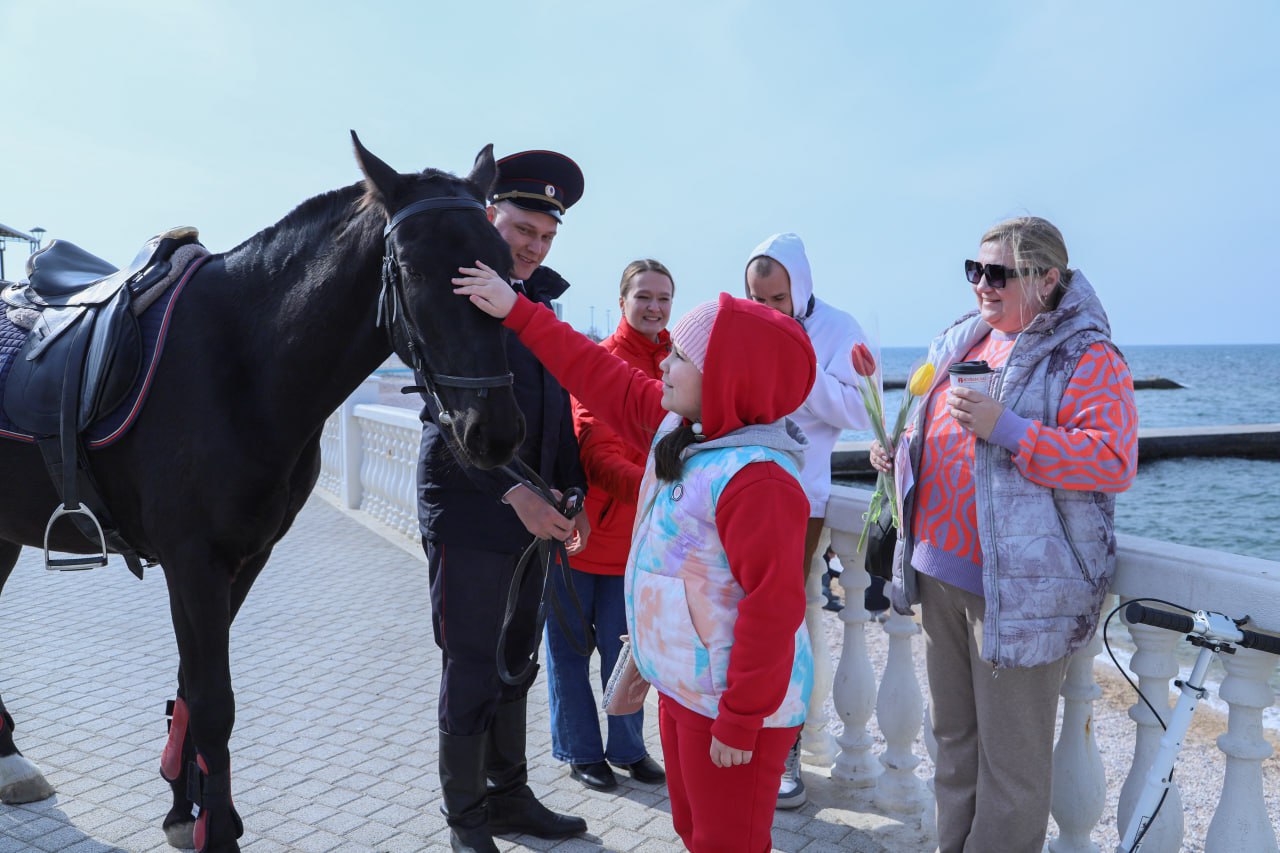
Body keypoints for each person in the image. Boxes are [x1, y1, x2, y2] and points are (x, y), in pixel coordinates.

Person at [454, 264, 817, 853]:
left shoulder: (759, 481)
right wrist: (517, 312)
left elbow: (774, 606)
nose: (664, 365)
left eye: (680, 358)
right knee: (694, 831)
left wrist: (743, 716)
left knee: (730, 841)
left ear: (728, 378)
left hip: (729, 704)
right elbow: (598, 375)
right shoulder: (686, 429)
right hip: (681, 688)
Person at [870, 216, 1138, 852]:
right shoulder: (964, 341)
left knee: (1011, 770)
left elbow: (1112, 459)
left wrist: (1011, 429)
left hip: (1019, 592)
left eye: (998, 273)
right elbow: (935, 435)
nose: (981, 286)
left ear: (1047, 280)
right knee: (954, 745)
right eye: (975, 271)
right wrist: (900, 452)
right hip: (940, 572)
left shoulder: (1086, 354)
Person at [418, 149, 591, 853]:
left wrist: (572, 486)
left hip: (534, 518)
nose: (533, 245)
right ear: (492, 218)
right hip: (469, 508)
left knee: (518, 655)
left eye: (546, 236)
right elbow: (442, 416)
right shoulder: (456, 295)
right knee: (470, 661)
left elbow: (558, 408)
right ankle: (466, 820)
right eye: (523, 228)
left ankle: (509, 794)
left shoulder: (540, 303)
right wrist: (516, 491)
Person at [744, 232, 870, 809]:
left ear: (800, 286)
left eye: (775, 298)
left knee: (785, 626)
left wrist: (800, 366)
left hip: (803, 498)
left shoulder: (841, 330)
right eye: (757, 298)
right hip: (740, 490)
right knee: (736, 621)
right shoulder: (747, 321)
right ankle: (739, 740)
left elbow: (862, 410)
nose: (766, 309)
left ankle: (785, 752)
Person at [548, 260, 673, 791]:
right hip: (583, 538)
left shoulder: (678, 362)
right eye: (643, 296)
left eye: (664, 298)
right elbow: (596, 451)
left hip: (640, 545)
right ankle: (581, 750)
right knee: (572, 652)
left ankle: (627, 748)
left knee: (631, 653)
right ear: (622, 301)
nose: (654, 307)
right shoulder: (602, 362)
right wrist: (656, 489)